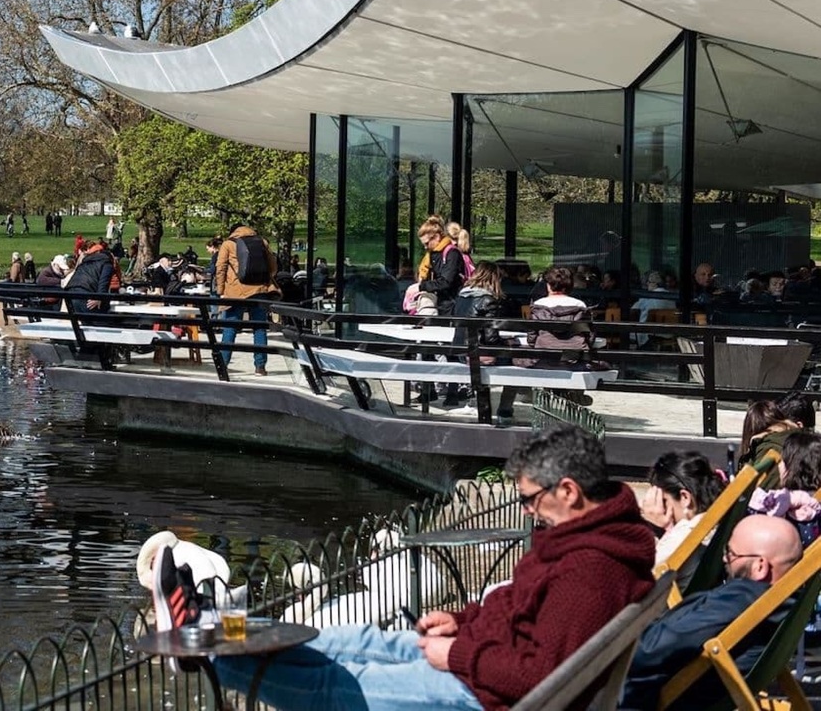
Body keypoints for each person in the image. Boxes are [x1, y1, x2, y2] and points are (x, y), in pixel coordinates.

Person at [207, 425, 656, 711]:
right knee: (352, 639)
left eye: (529, 499)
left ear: (570, 491)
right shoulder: (587, 538)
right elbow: (523, 615)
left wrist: (458, 654)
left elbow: (540, 676)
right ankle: (215, 630)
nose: (527, 512)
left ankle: (208, 656)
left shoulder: (590, 571)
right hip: (477, 659)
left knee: (339, 681)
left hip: (479, 691)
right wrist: (462, 620)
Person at [620, 515, 803, 711]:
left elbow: (652, 649)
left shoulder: (739, 601)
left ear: (760, 566)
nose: (725, 558)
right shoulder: (783, 604)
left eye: (731, 553)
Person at [640, 451, 726, 588]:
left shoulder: (686, 533)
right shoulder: (712, 524)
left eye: (663, 501)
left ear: (685, 498)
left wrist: (651, 527)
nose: (660, 508)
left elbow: (641, 579)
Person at [449, 261, 518, 413]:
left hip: (460, 352)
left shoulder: (462, 296)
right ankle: (505, 409)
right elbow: (491, 339)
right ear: (494, 278)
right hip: (477, 356)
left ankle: (476, 402)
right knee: (518, 361)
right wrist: (509, 342)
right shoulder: (488, 300)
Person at [215, 223, 279, 377]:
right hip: (259, 290)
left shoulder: (228, 244)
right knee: (259, 328)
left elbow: (220, 267)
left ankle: (223, 364)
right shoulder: (262, 242)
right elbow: (273, 265)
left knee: (230, 327)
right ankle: (260, 367)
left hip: (235, 291)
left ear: (233, 231)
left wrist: (220, 291)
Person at [748, 429, 821, 547]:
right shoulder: (815, 506)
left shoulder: (783, 503)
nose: (780, 465)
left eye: (783, 461)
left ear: (789, 468)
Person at [65, 239, 114, 312]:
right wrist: (99, 298)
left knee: (85, 321)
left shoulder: (84, 264)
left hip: (70, 294)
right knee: (100, 321)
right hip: (86, 294)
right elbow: (104, 282)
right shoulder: (106, 263)